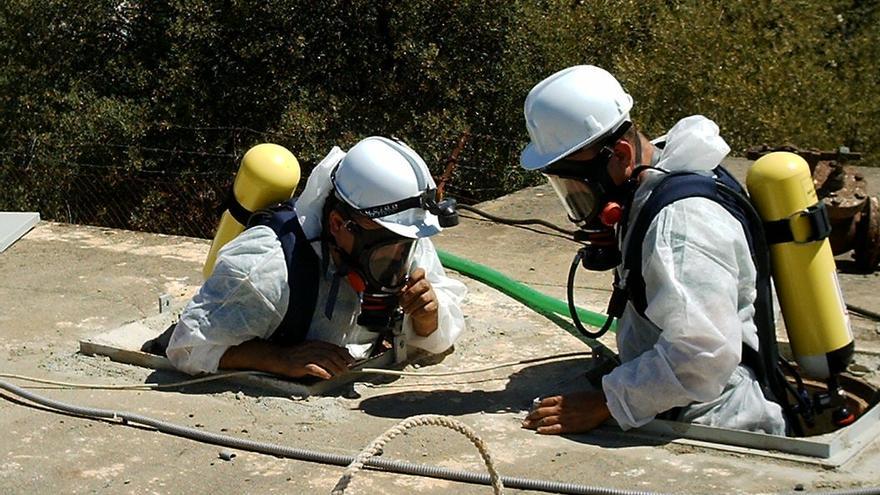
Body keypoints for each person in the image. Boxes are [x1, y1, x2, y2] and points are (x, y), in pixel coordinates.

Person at [518, 65, 786, 435]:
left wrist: (608, 403)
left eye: (579, 187)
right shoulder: (653, 180)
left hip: (716, 422)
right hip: (676, 405)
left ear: (622, 154)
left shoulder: (683, 223)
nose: (583, 206)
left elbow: (703, 355)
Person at [166, 136, 467, 380]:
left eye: (406, 244)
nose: (399, 258)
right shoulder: (265, 269)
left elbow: (442, 331)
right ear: (337, 223)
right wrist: (278, 358)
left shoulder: (401, 237)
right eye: (387, 246)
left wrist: (428, 318)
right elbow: (187, 347)